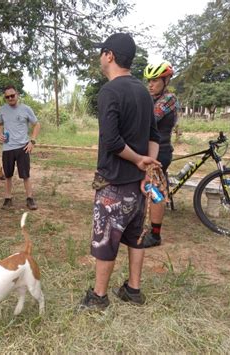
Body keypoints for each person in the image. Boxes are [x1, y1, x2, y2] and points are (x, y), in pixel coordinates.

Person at [80, 33, 160, 310]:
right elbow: (154, 135)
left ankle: (99, 297)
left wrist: (139, 160)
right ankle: (133, 290)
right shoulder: (143, 92)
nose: (100, 57)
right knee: (135, 237)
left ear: (110, 55)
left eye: (102, 52)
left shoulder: (110, 91)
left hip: (114, 183)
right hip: (139, 186)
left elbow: (112, 142)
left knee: (106, 240)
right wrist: (148, 169)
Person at [142, 61, 179, 248]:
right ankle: (145, 226)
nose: (150, 84)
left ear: (166, 81)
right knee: (148, 189)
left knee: (155, 190)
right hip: (149, 150)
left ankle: (155, 235)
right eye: (149, 80)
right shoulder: (151, 98)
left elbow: (151, 118)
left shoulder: (168, 99)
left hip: (161, 152)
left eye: (155, 80)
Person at [0, 85, 41, 211]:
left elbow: (36, 124)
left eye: (12, 95)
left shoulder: (26, 109)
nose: (10, 98)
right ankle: (8, 198)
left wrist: (32, 141)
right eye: (7, 97)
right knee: (8, 175)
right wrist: (0, 134)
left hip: (23, 147)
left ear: (17, 95)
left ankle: (30, 199)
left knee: (25, 175)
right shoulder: (2, 110)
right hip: (8, 148)